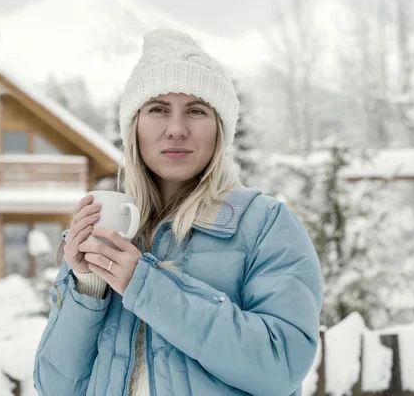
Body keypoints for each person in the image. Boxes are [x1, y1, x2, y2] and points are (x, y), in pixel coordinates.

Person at [33, 28, 323, 396]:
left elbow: (281, 366)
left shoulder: (265, 225)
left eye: (196, 111)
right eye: (157, 109)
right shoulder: (109, 228)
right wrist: (87, 288)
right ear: (133, 127)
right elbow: (54, 386)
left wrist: (146, 286)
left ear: (220, 130)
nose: (176, 129)